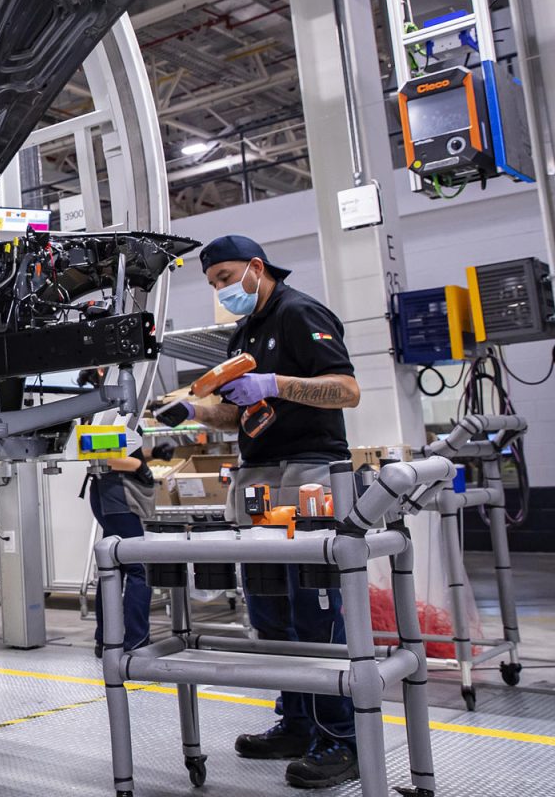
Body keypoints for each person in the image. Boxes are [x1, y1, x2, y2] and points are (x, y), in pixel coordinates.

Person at [155, 235, 362, 790]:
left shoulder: (300, 313)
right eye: (214, 283)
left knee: (314, 608)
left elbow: (346, 390)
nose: (223, 289)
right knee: (269, 607)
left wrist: (274, 382)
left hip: (309, 471)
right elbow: (234, 414)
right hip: (258, 475)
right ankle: (297, 722)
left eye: (226, 277)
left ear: (255, 267)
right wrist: (193, 408)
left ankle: (342, 738)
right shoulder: (243, 333)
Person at [77, 368, 155, 659]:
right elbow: (103, 455)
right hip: (117, 495)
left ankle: (107, 640)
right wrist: (140, 468)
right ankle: (135, 641)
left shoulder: (95, 403)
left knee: (113, 569)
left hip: (107, 495)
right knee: (137, 568)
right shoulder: (109, 403)